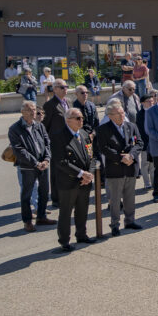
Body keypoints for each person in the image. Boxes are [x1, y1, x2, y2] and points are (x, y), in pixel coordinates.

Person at [51, 108, 96, 251]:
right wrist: (81, 173)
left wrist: (90, 173)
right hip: (69, 181)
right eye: (77, 118)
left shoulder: (83, 134)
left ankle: (81, 234)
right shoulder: (58, 137)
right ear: (68, 120)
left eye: (82, 117)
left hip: (85, 181)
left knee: (82, 210)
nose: (81, 120)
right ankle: (64, 241)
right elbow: (61, 161)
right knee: (66, 212)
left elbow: (92, 156)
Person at [96, 101, 143, 236]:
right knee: (115, 200)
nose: (122, 115)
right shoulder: (102, 129)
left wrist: (131, 156)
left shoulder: (131, 126)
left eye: (122, 112)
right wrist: (120, 158)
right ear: (110, 115)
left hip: (130, 167)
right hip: (115, 168)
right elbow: (103, 148)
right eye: (118, 113)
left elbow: (139, 143)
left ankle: (130, 220)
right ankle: (115, 224)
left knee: (130, 197)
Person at [9, 101, 55, 232]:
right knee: (27, 195)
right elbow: (19, 149)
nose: (33, 112)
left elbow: (47, 143)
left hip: (43, 164)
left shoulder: (39, 126)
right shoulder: (14, 129)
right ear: (22, 112)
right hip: (28, 166)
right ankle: (27, 221)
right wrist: (35, 163)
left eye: (34, 109)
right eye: (30, 110)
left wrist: (46, 159)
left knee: (44, 192)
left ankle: (41, 216)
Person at [135, 93, 155, 191]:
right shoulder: (140, 114)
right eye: (148, 101)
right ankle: (147, 183)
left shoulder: (155, 111)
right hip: (145, 143)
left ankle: (154, 182)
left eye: (152, 101)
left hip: (155, 142)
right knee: (145, 164)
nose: (151, 103)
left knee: (153, 164)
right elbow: (141, 130)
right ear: (143, 103)